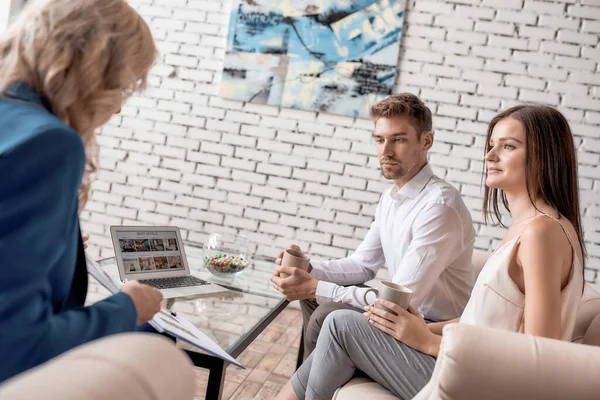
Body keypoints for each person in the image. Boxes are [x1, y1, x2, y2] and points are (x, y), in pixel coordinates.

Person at [276, 104, 586, 400]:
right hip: (473, 366)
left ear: (545, 156)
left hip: (486, 386)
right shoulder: (529, 228)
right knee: (337, 320)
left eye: (508, 146)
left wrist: (427, 341)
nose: (489, 155)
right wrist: (421, 328)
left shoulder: (541, 233)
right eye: (491, 145)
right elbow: (483, 323)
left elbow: (539, 354)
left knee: (340, 323)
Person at [0, 0, 163, 383]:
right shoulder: (48, 142)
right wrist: (127, 307)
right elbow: (14, 344)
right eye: (122, 85)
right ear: (92, 71)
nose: (119, 106)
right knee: (154, 345)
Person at [271, 93, 476, 358]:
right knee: (314, 293)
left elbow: (399, 303)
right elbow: (362, 265)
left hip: (428, 327)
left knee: (327, 309)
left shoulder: (439, 206)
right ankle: (318, 378)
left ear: (426, 141)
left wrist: (315, 285)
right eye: (380, 140)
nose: (386, 151)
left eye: (398, 140)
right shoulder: (391, 198)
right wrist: (310, 271)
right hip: (402, 315)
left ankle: (309, 388)